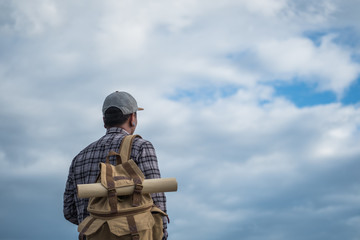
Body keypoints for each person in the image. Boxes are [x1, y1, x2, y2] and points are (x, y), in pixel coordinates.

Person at [63, 91, 168, 239]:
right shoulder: (140, 146)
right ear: (132, 118)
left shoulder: (79, 158)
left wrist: (100, 224)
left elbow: (69, 211)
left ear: (104, 121)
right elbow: (157, 200)